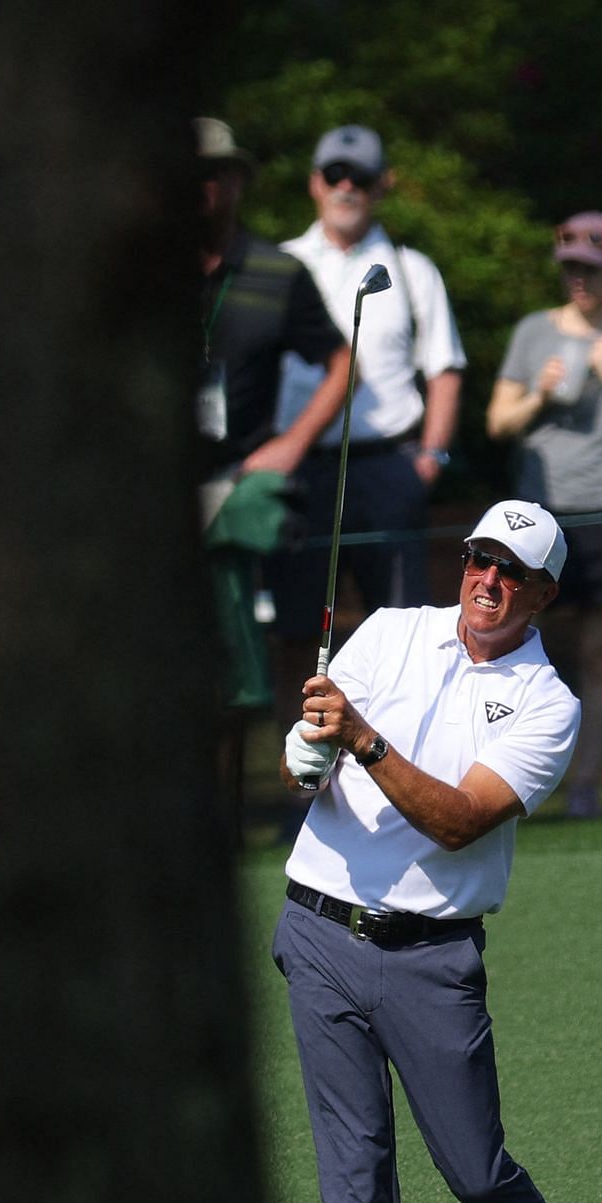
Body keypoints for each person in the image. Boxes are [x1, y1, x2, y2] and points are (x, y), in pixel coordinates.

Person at [274, 501, 602, 1203]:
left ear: (542, 593)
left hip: (432, 956)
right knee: (353, 1174)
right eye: (478, 557)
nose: (486, 579)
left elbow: (455, 820)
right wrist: (307, 748)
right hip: (319, 928)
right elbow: (303, 753)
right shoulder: (389, 634)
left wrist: (355, 737)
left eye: (510, 571)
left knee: (478, 1172)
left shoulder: (546, 703)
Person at [484, 212, 602, 817]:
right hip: (535, 518)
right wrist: (539, 394)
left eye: (592, 269)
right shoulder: (533, 333)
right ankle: (499, 785)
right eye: (570, 266)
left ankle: (585, 790)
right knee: (513, 646)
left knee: (600, 654)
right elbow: (496, 423)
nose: (579, 280)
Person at [197, 119, 356, 827]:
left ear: (239, 183)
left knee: (278, 627)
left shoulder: (275, 271)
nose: (205, 185)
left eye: (220, 171)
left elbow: (341, 361)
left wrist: (293, 443)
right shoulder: (130, 267)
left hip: (244, 478)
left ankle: (277, 801)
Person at [267, 125, 465, 644]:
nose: (346, 186)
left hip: (388, 471)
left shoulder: (413, 269)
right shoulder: (281, 266)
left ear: (383, 185)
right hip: (301, 477)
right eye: (335, 174)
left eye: (360, 176)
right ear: (315, 183)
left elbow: (444, 369)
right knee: (296, 637)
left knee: (402, 639)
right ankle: (298, 731)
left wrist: (430, 461)